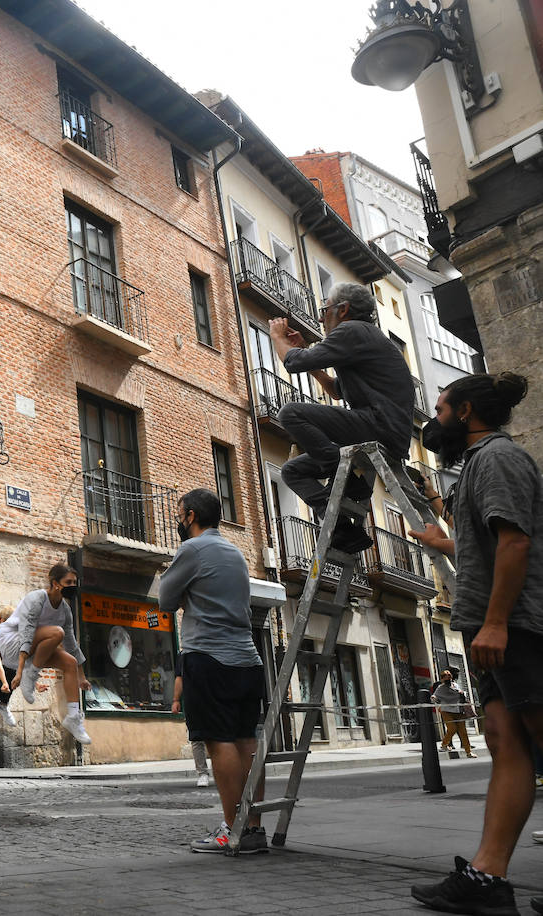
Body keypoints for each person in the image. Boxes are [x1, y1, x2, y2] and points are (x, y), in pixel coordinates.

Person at [406, 372, 543, 915]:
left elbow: (515, 541)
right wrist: (449, 542)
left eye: (441, 408)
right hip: (493, 624)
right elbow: (491, 541)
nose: (434, 418)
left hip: (520, 624)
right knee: (504, 742)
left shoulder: (498, 459)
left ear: (465, 412)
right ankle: (488, 880)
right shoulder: (477, 466)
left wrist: (497, 623)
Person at [270, 281, 416, 554]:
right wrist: (308, 353)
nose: (322, 318)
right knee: (293, 470)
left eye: (324, 311)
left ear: (343, 309)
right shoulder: (362, 337)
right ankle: (342, 528)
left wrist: (277, 337)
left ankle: (345, 476)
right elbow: (337, 392)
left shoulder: (352, 330)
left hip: (379, 425)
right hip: (382, 426)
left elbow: (293, 362)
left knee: (290, 413)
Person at [160, 488, 267, 855]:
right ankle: (253, 827)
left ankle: (231, 829)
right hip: (247, 658)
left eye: (179, 514)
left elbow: (164, 599)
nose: (177, 520)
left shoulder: (192, 549)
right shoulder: (236, 553)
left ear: (190, 516)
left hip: (208, 656)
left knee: (218, 740)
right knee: (246, 740)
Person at [0, 564, 91, 745]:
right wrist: (21, 671)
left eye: (75, 582)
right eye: (68, 582)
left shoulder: (65, 610)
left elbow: (71, 644)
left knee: (70, 662)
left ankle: (73, 717)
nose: (73, 586)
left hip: (37, 648)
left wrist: (82, 677)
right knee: (57, 632)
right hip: (12, 644)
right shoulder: (37, 598)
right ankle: (30, 675)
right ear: (55, 583)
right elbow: (27, 631)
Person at [170, 675, 212, 788]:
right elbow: (179, 677)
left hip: (214, 699)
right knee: (197, 738)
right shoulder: (184, 657)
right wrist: (176, 700)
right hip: (193, 702)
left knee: (218, 738)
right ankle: (202, 773)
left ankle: (224, 771)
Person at [433, 668, 478, 758]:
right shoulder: (440, 688)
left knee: (463, 732)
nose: (448, 678)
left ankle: (468, 752)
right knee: (452, 728)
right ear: (442, 679)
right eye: (446, 676)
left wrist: (462, 694)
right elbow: (435, 696)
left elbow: (461, 697)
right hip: (447, 711)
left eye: (449, 676)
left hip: (458, 710)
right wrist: (434, 698)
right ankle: (444, 744)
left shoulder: (455, 685)